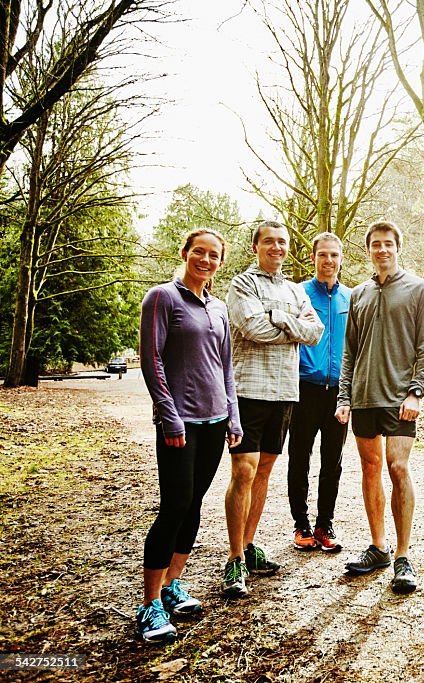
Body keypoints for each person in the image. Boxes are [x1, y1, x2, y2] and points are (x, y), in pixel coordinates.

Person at [137, 228, 242, 643]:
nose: (206, 259)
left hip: (216, 422)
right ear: (185, 253)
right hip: (179, 425)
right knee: (174, 506)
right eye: (199, 252)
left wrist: (233, 418)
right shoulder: (162, 297)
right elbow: (152, 360)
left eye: (214, 255)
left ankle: (171, 585)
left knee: (194, 504)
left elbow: (226, 367)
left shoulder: (218, 307)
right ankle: (149, 605)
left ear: (220, 262)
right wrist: (169, 415)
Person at [334, 221, 424, 594]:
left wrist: (417, 392)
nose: (382, 250)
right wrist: (344, 397)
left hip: (399, 398)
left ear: (398, 247)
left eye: (388, 244)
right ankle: (378, 546)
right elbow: (349, 352)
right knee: (371, 467)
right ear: (369, 250)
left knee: (397, 466)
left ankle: (403, 555)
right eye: (376, 244)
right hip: (363, 397)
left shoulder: (419, 289)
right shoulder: (358, 294)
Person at [223, 220, 324, 597]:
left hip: (284, 391)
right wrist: (290, 322)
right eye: (269, 242)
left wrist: (279, 318)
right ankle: (233, 559)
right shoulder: (241, 285)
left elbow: (316, 334)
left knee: (264, 471)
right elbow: (253, 330)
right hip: (248, 390)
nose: (277, 248)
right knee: (244, 472)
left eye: (282, 242)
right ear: (256, 247)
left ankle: (248, 549)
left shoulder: (295, 289)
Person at [288, 232, 351, 552]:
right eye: (323, 255)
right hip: (303, 388)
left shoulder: (351, 298)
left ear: (341, 259)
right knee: (299, 457)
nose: (328, 261)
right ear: (313, 258)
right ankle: (301, 524)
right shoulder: (297, 293)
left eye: (334, 255)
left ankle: (325, 524)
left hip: (339, 392)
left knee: (333, 461)